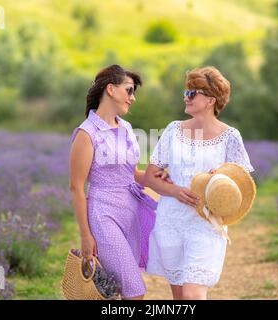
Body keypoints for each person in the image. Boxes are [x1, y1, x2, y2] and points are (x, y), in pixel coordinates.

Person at [144, 66, 255, 300]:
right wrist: (174, 190)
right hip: (171, 221)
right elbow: (151, 176)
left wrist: (223, 175)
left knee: (193, 295)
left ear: (210, 100)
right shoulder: (173, 131)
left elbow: (241, 181)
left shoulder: (230, 136)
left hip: (206, 223)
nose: (186, 97)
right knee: (180, 298)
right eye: (186, 92)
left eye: (192, 93)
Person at [69, 64, 169, 300]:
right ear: (111, 90)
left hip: (131, 212)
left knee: (122, 292)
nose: (132, 98)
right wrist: (85, 235)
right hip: (104, 215)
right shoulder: (87, 133)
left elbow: (132, 173)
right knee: (135, 292)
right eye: (129, 91)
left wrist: (161, 176)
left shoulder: (126, 128)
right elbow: (76, 186)